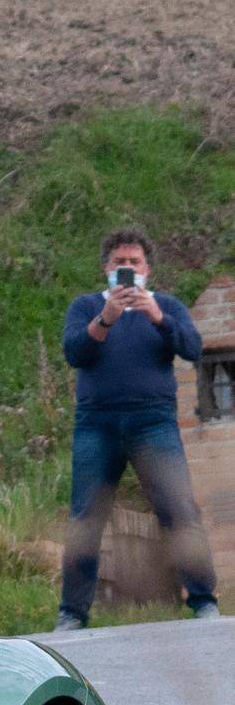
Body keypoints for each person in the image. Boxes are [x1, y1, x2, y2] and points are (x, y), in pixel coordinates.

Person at [56, 228, 219, 630]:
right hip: (97, 423)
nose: (126, 269)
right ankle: (72, 613)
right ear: (106, 269)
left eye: (134, 262)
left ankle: (203, 601)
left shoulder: (166, 305)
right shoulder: (85, 306)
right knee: (85, 518)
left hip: (154, 421)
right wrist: (105, 318)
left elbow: (193, 349)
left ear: (147, 269)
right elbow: (75, 352)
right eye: (119, 263)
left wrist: (157, 317)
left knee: (180, 511)